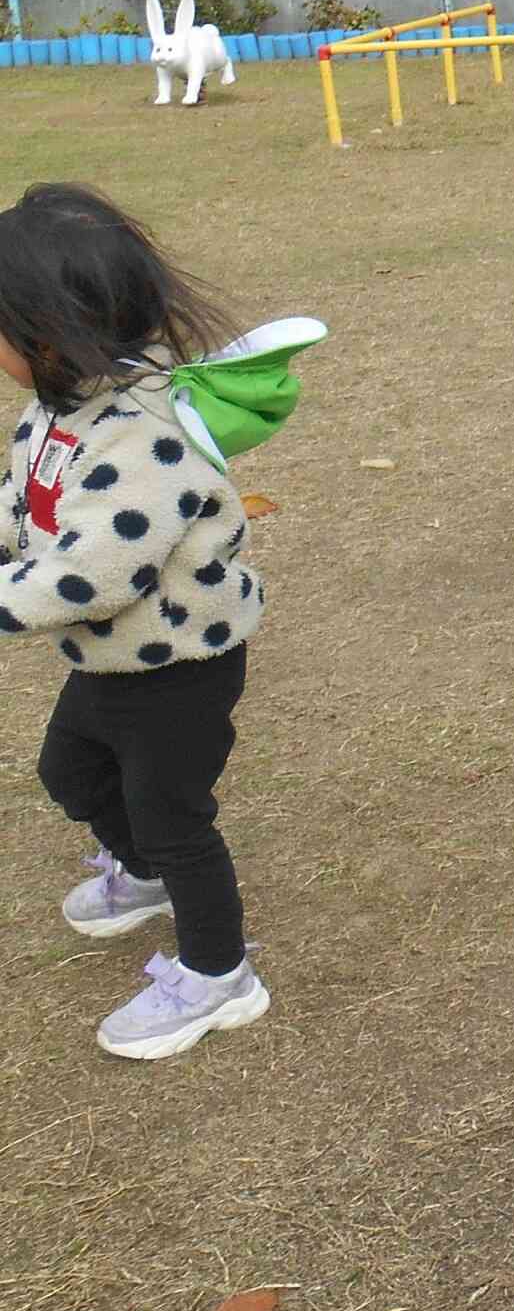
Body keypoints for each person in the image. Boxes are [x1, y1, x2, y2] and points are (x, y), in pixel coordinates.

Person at [2, 185, 273, 1059]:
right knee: (70, 773)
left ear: (46, 333)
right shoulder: (58, 406)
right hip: (112, 662)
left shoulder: (142, 436)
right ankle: (144, 875)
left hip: (177, 666)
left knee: (173, 817)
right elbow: (26, 505)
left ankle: (219, 974)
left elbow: (90, 576)